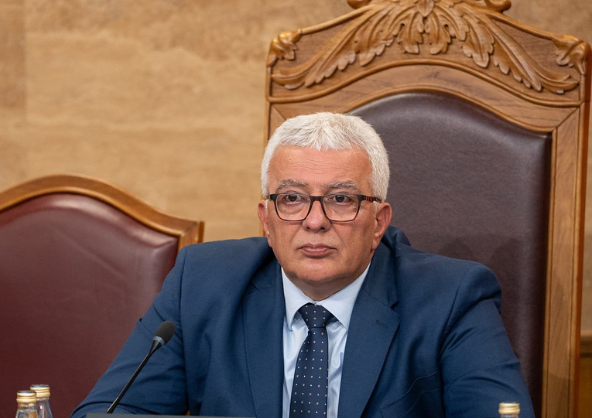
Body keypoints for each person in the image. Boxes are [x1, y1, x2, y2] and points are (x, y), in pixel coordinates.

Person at [72, 113, 534, 418]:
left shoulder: (451, 297)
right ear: (266, 219)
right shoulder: (202, 282)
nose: (315, 221)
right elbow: (110, 411)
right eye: (292, 198)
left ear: (378, 222)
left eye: (341, 199)